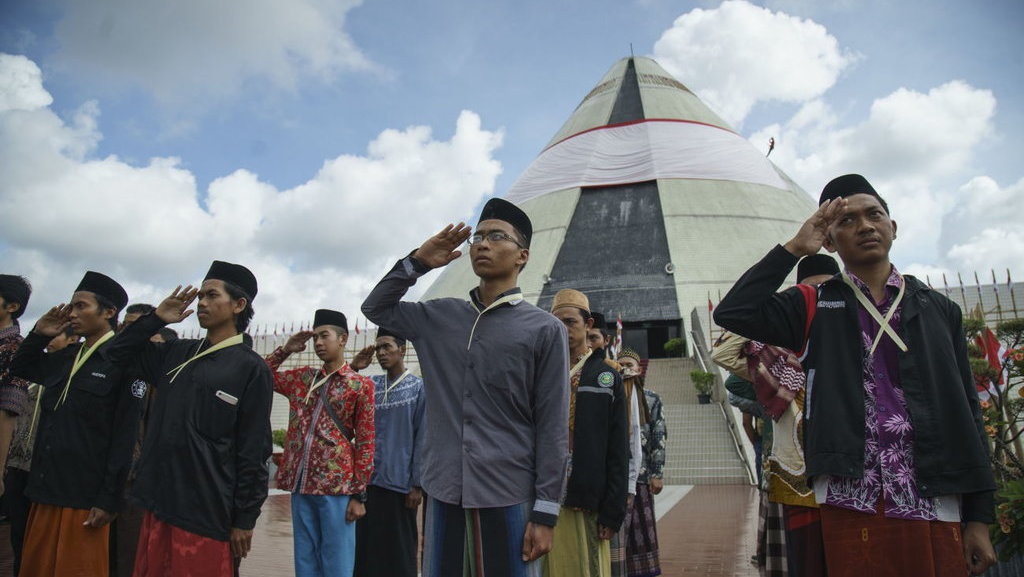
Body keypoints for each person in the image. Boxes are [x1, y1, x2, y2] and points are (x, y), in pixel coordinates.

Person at [714, 174, 997, 576]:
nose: (864, 226)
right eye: (847, 221)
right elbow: (733, 313)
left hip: (935, 492)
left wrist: (980, 517)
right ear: (828, 240)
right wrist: (795, 248)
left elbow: (967, 412)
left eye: (874, 215)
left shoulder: (938, 310)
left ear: (892, 227)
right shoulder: (812, 304)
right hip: (851, 493)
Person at [362, 197, 570, 577]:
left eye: (496, 236)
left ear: (522, 256)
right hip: (444, 491)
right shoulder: (438, 316)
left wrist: (546, 511)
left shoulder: (544, 329)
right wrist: (418, 263)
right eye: (477, 236)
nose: (482, 244)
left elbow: (552, 425)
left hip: (509, 492)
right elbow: (375, 309)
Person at [106, 261, 273, 577]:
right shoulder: (175, 353)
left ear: (239, 305)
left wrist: (244, 519)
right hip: (157, 503)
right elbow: (116, 354)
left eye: (212, 295)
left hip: (206, 512)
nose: (202, 303)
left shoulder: (251, 368)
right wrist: (155, 319)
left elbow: (254, 450)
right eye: (200, 297)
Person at [9, 271, 142, 577]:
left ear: (108, 312)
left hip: (84, 499)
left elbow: (124, 438)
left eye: (81, 306)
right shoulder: (67, 356)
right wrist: (39, 334)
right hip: (44, 489)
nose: (72, 313)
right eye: (72, 306)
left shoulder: (124, 363)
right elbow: (21, 367)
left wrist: (109, 500)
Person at [264, 308, 375, 577]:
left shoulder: (359, 385)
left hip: (335, 487)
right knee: (305, 556)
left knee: (337, 557)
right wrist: (286, 350)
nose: (318, 343)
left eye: (324, 336)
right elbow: (261, 374)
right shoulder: (302, 379)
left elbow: (366, 442)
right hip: (300, 484)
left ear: (343, 339)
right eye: (315, 338)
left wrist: (359, 494)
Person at [544, 289, 628, 577]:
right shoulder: (539, 373)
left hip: (586, 497)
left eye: (570, 322)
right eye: (557, 323)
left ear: (588, 324)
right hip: (544, 495)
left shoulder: (606, 377)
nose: (563, 330)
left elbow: (618, 448)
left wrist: (613, 509)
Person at [4, 327, 78, 577]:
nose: (50, 340)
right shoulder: (34, 375)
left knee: (41, 539)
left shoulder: (71, 376)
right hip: (17, 466)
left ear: (72, 339)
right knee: (18, 535)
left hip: (45, 470)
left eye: (58, 334)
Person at [352, 327, 425, 577]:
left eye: (387, 347)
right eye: (378, 348)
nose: (382, 353)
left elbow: (422, 437)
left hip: (399, 484)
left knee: (399, 552)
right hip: (367, 484)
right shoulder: (369, 385)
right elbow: (340, 396)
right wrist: (354, 368)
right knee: (366, 550)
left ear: (402, 350)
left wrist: (417, 484)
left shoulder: (418, 388)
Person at [617, 349, 665, 577]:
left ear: (639, 369)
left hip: (642, 477)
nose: (625, 368)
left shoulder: (652, 399)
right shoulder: (612, 397)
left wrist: (657, 473)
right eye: (621, 364)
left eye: (629, 364)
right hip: (616, 477)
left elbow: (658, 437)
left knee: (641, 533)